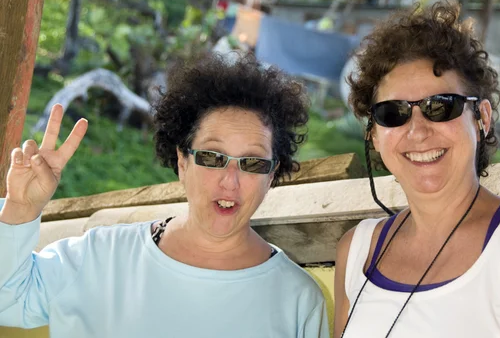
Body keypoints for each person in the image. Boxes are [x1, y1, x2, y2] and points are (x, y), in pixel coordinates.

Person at [0, 54, 329, 337]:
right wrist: (20, 210)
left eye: (252, 162)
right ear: (182, 161)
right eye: (212, 157)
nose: (231, 180)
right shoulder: (100, 257)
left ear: (272, 174)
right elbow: (7, 300)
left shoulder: (298, 300)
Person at [333, 2, 500, 338]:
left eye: (441, 107)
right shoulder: (356, 250)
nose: (417, 131)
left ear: (482, 119)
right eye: (393, 113)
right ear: (373, 134)